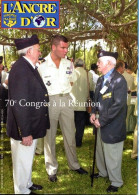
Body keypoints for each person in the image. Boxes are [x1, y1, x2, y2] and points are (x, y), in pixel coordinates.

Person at [38, 35, 88, 182]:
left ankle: (74, 164)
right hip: (50, 101)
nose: (66, 50)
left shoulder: (68, 64)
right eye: (63, 47)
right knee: (50, 136)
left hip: (66, 99)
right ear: (53, 47)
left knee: (70, 135)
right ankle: (51, 169)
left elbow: (72, 80)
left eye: (67, 47)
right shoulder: (42, 65)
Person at [6, 34, 50, 194]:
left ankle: (27, 183)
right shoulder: (21, 69)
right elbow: (19, 104)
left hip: (31, 123)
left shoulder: (28, 67)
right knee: (21, 160)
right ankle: (22, 190)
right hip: (24, 127)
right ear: (30, 51)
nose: (40, 52)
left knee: (27, 159)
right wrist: (25, 132)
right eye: (38, 50)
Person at [90, 50, 127, 193]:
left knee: (112, 153)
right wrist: (93, 113)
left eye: (100, 62)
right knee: (100, 149)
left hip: (112, 124)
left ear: (109, 63)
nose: (97, 64)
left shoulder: (119, 80)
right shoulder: (100, 79)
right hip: (100, 121)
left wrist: (102, 120)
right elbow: (96, 99)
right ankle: (103, 172)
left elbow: (118, 105)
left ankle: (116, 181)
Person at [70, 58, 94, 147]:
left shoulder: (71, 72)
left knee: (70, 125)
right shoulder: (88, 74)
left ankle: (70, 142)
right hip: (82, 103)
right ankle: (78, 142)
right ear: (83, 65)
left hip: (70, 103)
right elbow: (91, 88)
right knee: (80, 124)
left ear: (75, 65)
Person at [123, 63, 136, 133]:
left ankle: (129, 128)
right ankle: (128, 128)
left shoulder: (134, 76)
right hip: (132, 96)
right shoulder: (131, 77)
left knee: (129, 114)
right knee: (129, 113)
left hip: (131, 96)